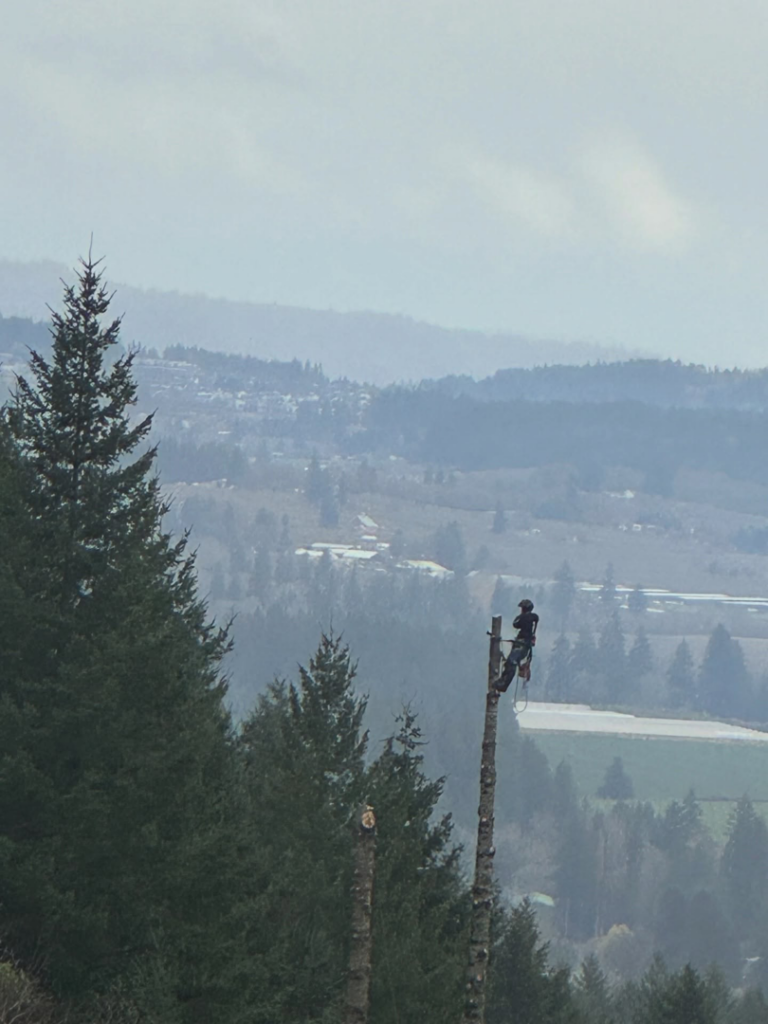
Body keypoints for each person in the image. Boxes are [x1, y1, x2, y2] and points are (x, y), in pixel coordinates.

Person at [495, 599, 539, 693]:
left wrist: (520, 616)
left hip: (522, 645)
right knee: (510, 662)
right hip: (523, 645)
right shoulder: (533, 618)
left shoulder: (525, 618)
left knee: (511, 662)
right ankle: (502, 681)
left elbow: (515, 624)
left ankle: (504, 684)